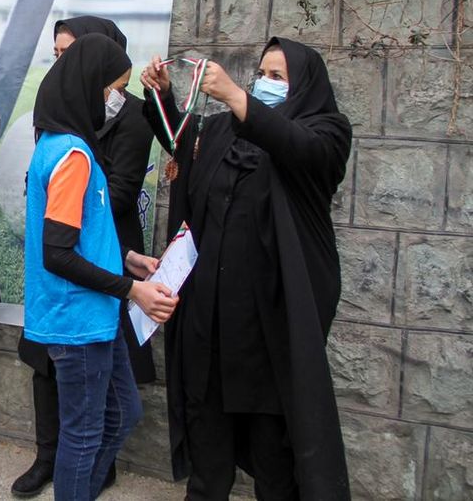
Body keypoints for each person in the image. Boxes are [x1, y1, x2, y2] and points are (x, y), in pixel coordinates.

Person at [139, 37, 352, 500]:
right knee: (208, 455)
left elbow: (298, 148)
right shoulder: (222, 130)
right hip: (211, 326)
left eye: (278, 77)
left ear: (304, 86)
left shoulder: (327, 133)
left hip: (267, 336)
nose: (264, 83)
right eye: (261, 74)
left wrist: (237, 96)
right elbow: (180, 139)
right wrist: (162, 95)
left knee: (274, 464)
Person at [24, 34, 178, 501]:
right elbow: (57, 253)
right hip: (78, 321)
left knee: (123, 413)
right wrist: (133, 290)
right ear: (91, 84)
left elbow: (78, 235)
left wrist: (126, 258)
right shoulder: (71, 155)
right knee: (84, 433)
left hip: (95, 317)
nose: (118, 100)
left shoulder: (61, 144)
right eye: (117, 88)